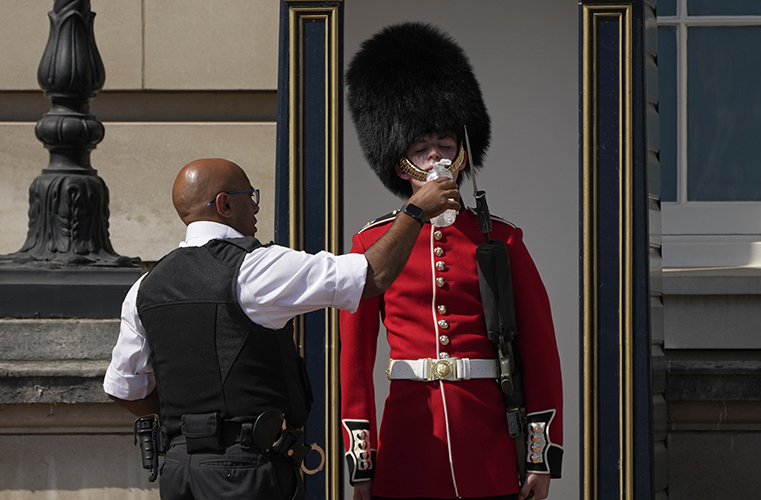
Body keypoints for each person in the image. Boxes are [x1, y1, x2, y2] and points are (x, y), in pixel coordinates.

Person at [103, 157, 460, 500]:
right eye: (250, 197)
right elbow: (373, 275)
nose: (257, 209)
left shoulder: (145, 286)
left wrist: (191, 424)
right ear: (224, 204)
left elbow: (123, 389)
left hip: (180, 472)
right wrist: (414, 212)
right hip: (246, 471)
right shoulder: (256, 268)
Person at [340, 22, 564, 500]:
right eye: (421, 148)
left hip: (485, 438)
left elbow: (540, 353)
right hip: (410, 435)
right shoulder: (372, 242)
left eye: (444, 144)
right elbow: (355, 364)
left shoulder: (501, 239)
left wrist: (538, 455)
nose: (436, 157)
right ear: (403, 164)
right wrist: (362, 461)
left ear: (462, 154)